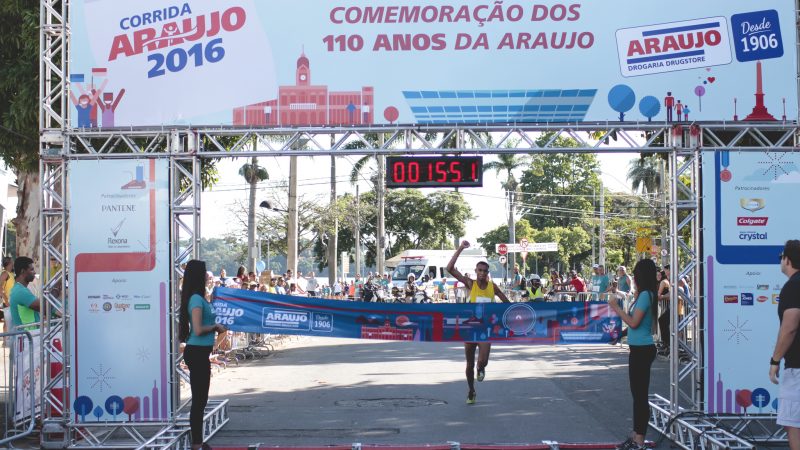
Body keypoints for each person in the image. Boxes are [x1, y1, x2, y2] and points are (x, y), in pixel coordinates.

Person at [447, 240, 510, 405]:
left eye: (484, 271)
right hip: (470, 328)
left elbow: (507, 304)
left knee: (482, 361)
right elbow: (450, 269)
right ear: (475, 271)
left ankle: (481, 368)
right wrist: (460, 248)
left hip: (485, 329)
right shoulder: (470, 283)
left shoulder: (492, 287)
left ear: (488, 273)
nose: (482, 273)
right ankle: (471, 391)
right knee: (469, 364)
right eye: (479, 270)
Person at [608, 258, 658, 450]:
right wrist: (619, 335)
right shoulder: (643, 295)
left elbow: (634, 322)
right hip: (637, 348)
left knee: (640, 396)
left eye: (636, 274)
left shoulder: (646, 295)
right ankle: (636, 434)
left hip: (643, 350)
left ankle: (640, 439)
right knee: (637, 394)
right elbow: (634, 326)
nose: (634, 277)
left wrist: (616, 308)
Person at [179, 260, 228, 450]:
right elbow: (198, 329)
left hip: (201, 351)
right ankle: (196, 443)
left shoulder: (200, 298)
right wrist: (215, 327)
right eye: (205, 273)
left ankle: (198, 441)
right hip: (197, 351)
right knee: (199, 400)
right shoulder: (196, 300)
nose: (208, 276)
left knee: (201, 399)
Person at [770, 240, 800, 448]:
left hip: (797, 367)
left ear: (787, 259)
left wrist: (775, 360)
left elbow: (789, 327)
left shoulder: (793, 286)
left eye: (781, 256)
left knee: (793, 424)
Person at [9, 257, 42, 330]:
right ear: (22, 271)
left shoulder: (21, 288)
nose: (35, 272)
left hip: (28, 335)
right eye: (32, 269)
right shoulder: (20, 291)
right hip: (26, 337)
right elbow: (43, 306)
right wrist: (55, 288)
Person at [657, 266, 671, 356]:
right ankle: (666, 343)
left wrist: (662, 296)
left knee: (662, 320)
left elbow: (673, 292)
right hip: (669, 305)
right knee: (662, 320)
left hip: (674, 306)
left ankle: (667, 343)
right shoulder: (667, 280)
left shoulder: (666, 281)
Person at [0, 257, 13, 333]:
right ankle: (5, 342)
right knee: (7, 323)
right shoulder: (5, 273)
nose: (13, 264)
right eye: (12, 262)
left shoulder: (10, 274)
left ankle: (7, 341)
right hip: (8, 302)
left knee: (9, 323)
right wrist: (6, 300)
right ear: (9, 263)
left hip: (12, 301)